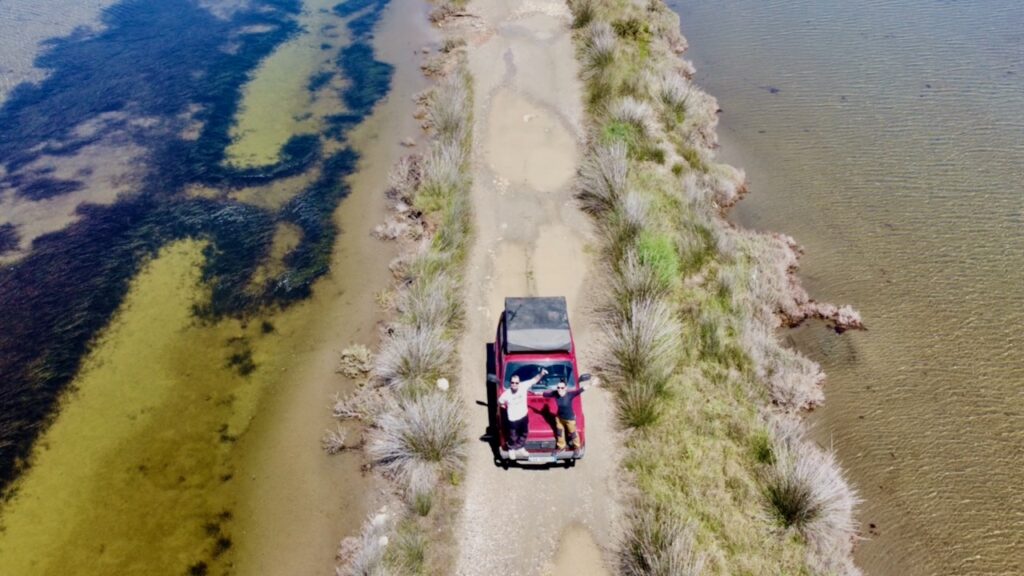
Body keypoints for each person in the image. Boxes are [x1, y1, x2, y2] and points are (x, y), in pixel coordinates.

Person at [498, 367, 547, 460]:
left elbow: (534, 380)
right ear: (510, 383)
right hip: (512, 419)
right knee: (513, 436)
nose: (514, 384)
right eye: (512, 382)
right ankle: (511, 449)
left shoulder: (524, 386)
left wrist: (541, 374)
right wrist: (503, 406)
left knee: (524, 433)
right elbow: (499, 401)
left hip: (524, 416)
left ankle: (520, 447)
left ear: (519, 383)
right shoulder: (506, 394)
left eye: (516, 383)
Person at [543, 378, 591, 458]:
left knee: (573, 433)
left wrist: (590, 384)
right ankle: (561, 447)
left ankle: (577, 447)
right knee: (559, 433)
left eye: (562, 388)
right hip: (559, 418)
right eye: (558, 387)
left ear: (565, 388)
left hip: (569, 419)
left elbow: (581, 390)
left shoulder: (570, 395)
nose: (559, 389)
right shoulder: (555, 394)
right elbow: (545, 394)